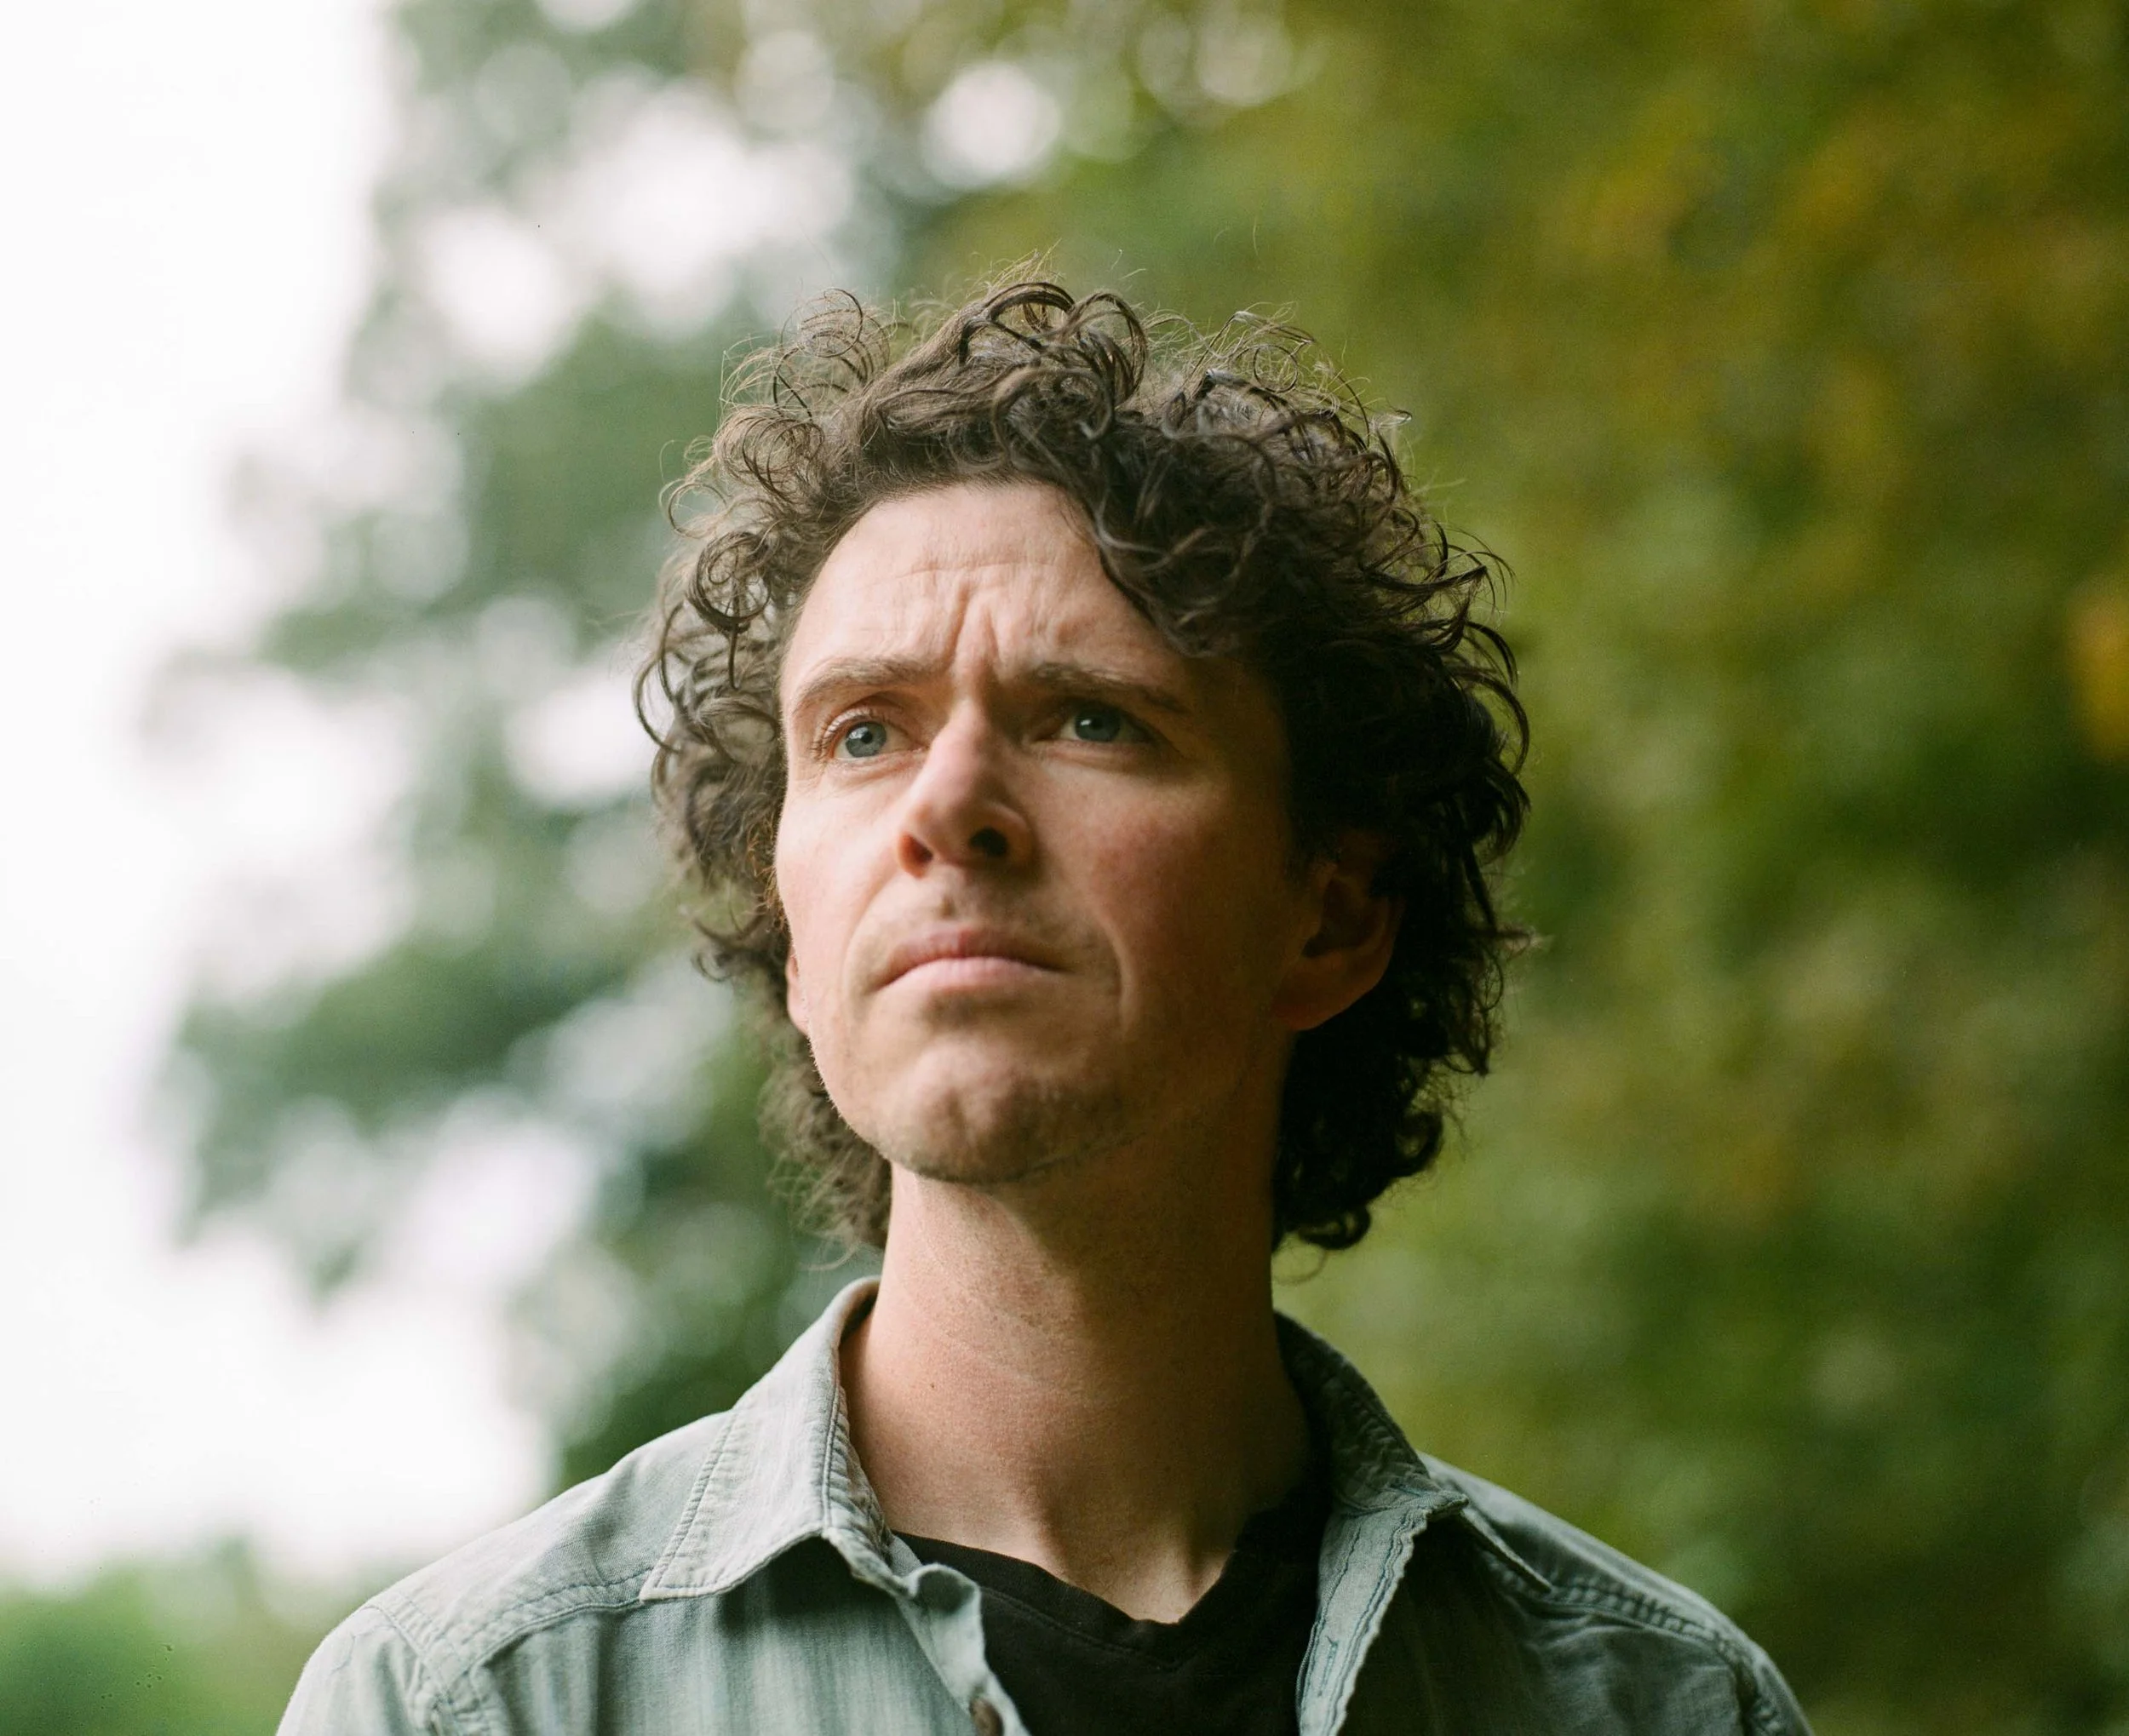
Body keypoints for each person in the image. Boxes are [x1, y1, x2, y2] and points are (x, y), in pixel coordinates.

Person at [278, 278, 1812, 1734]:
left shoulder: (1657, 1706)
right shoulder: (470, 1705)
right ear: (795, 936)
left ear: (1330, 913)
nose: (948, 808)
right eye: (865, 733)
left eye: (1091, 718)